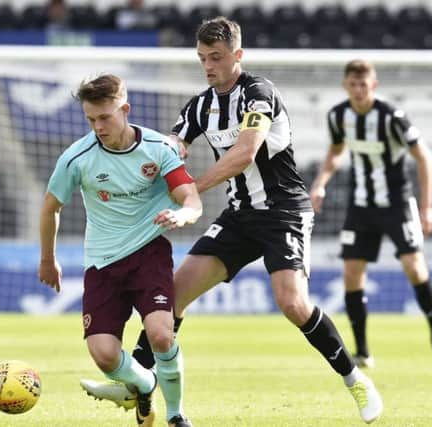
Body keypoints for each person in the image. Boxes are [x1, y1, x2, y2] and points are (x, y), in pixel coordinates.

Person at [82, 17, 383, 424]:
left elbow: (246, 151)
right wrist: (147, 159)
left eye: (217, 57)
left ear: (237, 56)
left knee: (292, 303)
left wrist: (195, 188)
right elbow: (172, 147)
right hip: (240, 217)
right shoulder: (199, 106)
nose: (209, 66)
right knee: (174, 295)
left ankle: (354, 379)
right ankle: (137, 381)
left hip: (283, 212)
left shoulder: (259, 94)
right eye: (203, 58)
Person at [39, 74, 201, 427]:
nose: (98, 127)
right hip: (102, 263)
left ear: (124, 109)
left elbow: (190, 196)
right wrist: (48, 259)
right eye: (91, 120)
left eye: (105, 117)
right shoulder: (77, 158)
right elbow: (50, 207)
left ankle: (176, 415)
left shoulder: (159, 149)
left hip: (149, 253)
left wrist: (184, 213)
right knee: (104, 356)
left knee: (161, 334)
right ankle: (146, 384)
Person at [309, 59, 432, 369]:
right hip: (360, 206)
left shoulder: (392, 117)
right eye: (353, 84)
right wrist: (320, 183)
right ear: (345, 86)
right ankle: (362, 351)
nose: (359, 90)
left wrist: (428, 207)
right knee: (351, 272)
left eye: (364, 84)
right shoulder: (338, 116)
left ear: (373, 85)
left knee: (415, 267)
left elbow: (424, 157)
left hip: (397, 204)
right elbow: (335, 152)